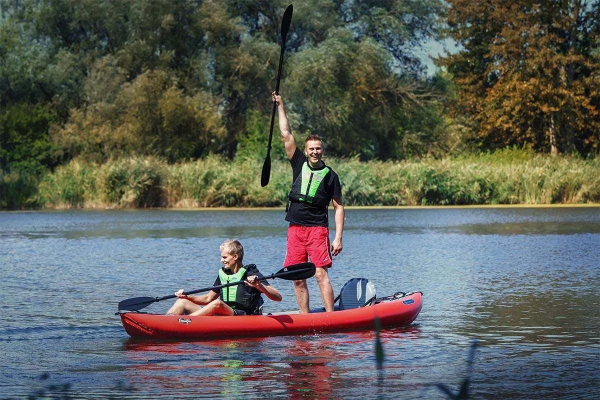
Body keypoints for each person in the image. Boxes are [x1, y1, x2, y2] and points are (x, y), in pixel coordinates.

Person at [272, 92, 345, 313]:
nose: (314, 152)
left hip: (317, 230)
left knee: (320, 274)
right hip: (295, 229)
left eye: (318, 148)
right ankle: (305, 319)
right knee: (297, 278)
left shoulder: (331, 176)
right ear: (306, 151)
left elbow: (338, 207)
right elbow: (286, 133)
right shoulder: (298, 163)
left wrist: (338, 237)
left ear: (322, 150)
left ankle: (331, 318)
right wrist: (280, 105)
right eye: (311, 149)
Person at [166, 240, 282, 316]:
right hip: (223, 315)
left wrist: (259, 286)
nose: (222, 260)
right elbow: (207, 299)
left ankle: (184, 323)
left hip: (243, 316)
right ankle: (166, 322)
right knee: (182, 301)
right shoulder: (223, 273)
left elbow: (278, 297)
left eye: (224, 257)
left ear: (235, 257)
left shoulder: (250, 272)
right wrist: (187, 296)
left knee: (218, 304)